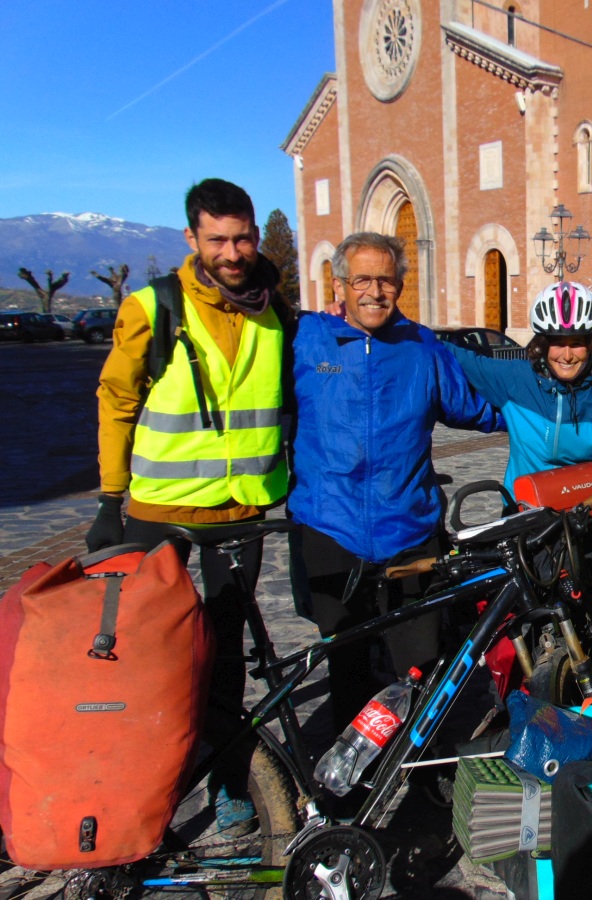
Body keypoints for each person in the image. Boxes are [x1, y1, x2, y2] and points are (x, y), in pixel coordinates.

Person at [88, 177, 291, 837]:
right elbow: (115, 401)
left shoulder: (273, 308)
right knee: (152, 656)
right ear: (192, 238)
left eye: (243, 237)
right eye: (219, 240)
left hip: (241, 513)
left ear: (256, 234)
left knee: (227, 655)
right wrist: (109, 500)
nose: (233, 252)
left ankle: (232, 782)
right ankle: (147, 781)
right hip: (161, 513)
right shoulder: (153, 307)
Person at [287, 232, 504, 733]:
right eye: (362, 279)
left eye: (386, 280)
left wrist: (557, 404)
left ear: (400, 285)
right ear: (339, 284)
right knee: (349, 662)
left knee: (420, 663)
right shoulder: (306, 341)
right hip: (329, 528)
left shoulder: (420, 345)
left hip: (409, 530)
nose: (374, 291)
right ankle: (354, 782)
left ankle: (419, 768)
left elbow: (473, 407)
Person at [442, 281, 592, 494]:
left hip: (585, 515)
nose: (567, 355)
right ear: (543, 343)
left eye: (576, 343)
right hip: (525, 514)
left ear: (589, 345)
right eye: (558, 343)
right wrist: (399, 328)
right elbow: (452, 354)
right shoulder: (516, 378)